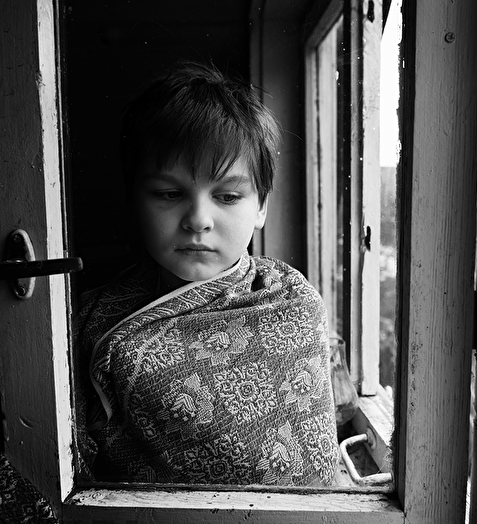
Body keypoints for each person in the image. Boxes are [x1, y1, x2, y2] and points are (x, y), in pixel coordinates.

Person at [74, 61, 340, 486]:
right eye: (169, 193)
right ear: (134, 199)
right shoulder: (91, 318)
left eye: (228, 196)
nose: (198, 219)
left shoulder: (292, 304)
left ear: (261, 207)